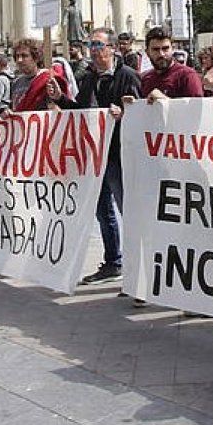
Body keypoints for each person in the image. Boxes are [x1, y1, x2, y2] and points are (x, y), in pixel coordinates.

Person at [49, 28, 140, 284]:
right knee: (103, 212)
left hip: (119, 154)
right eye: (92, 45)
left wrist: (124, 112)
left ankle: (136, 266)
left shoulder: (127, 76)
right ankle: (113, 262)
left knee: (127, 210)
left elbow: (141, 110)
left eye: (99, 45)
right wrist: (61, 100)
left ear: (112, 48)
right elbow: (81, 111)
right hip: (96, 156)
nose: (94, 49)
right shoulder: (89, 78)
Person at [140, 27, 204, 101]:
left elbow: (196, 109)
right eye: (156, 49)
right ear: (147, 52)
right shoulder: (146, 79)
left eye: (165, 48)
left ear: (172, 49)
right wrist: (131, 105)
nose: (161, 54)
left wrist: (165, 101)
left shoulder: (187, 76)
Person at [9, 39, 67, 112]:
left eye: (24, 56)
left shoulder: (48, 80)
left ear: (36, 58)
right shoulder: (16, 82)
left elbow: (61, 109)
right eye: (17, 56)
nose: (19, 60)